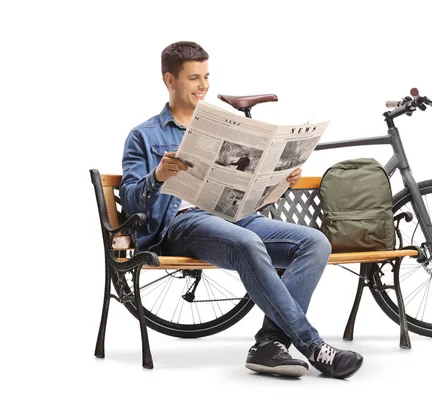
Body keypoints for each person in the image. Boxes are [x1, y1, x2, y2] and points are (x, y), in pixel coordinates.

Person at [119, 41, 363, 379]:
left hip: (235, 216)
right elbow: (130, 201)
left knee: (315, 242)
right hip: (181, 224)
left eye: (206, 76)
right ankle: (312, 346)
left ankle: (269, 344)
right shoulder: (144, 136)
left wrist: (280, 181)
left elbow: (250, 194)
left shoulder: (228, 125)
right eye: (193, 78)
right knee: (248, 243)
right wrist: (158, 175)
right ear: (169, 80)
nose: (203, 86)